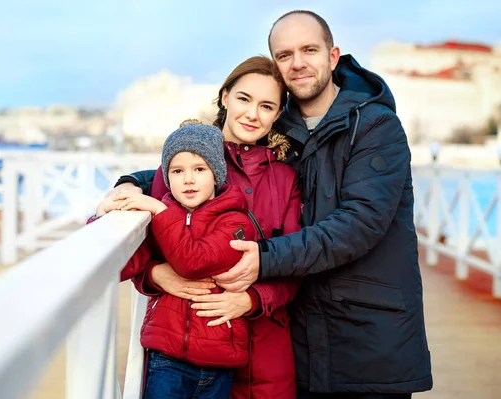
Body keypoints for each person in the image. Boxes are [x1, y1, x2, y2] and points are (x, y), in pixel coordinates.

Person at [107, 10, 433, 399]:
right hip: (300, 342)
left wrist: (261, 260)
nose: (297, 63)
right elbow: (200, 168)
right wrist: (135, 182)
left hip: (368, 337)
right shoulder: (282, 133)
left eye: (309, 49)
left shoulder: (375, 127)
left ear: (333, 56)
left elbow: (359, 224)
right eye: (284, 54)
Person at [97, 56, 302, 399]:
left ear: (279, 113)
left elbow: (297, 260)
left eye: (266, 106)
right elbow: (148, 241)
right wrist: (154, 275)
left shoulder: (286, 178)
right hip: (184, 349)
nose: (252, 114)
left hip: (265, 349)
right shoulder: (187, 162)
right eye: (243, 99)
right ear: (224, 97)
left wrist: (251, 299)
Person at [111, 123, 257, 399]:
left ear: (216, 174)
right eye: (177, 171)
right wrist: (106, 215)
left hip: (219, 363)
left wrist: (159, 209)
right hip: (166, 358)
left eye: (199, 169)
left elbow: (194, 262)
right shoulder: (159, 218)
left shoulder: (235, 221)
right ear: (167, 177)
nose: (188, 179)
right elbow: (121, 264)